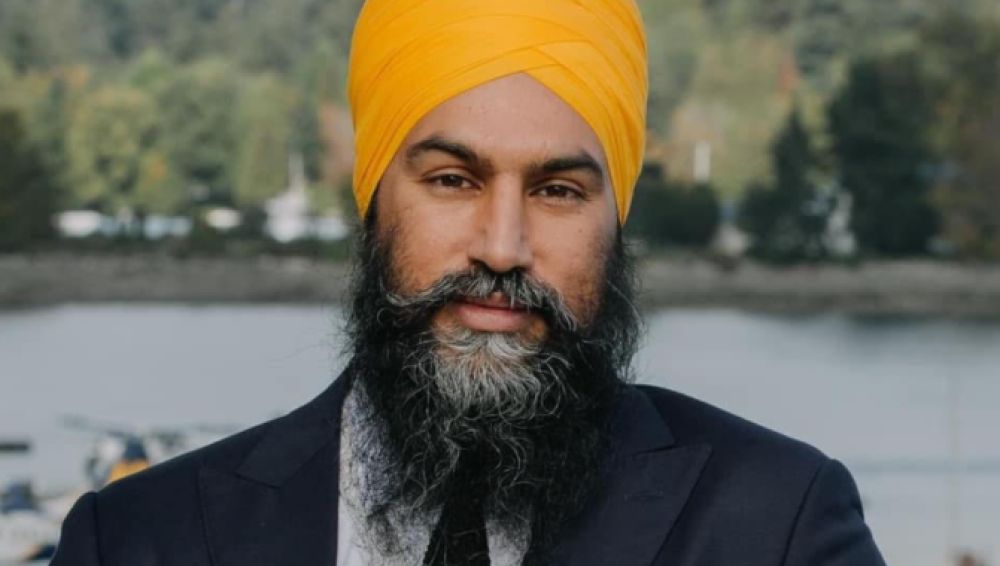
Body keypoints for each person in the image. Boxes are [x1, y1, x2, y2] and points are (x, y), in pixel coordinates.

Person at [51, 1, 885, 565]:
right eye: (452, 180)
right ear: (374, 201)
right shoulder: (141, 539)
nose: (502, 247)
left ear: (616, 221)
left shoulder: (774, 522)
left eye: (558, 191)